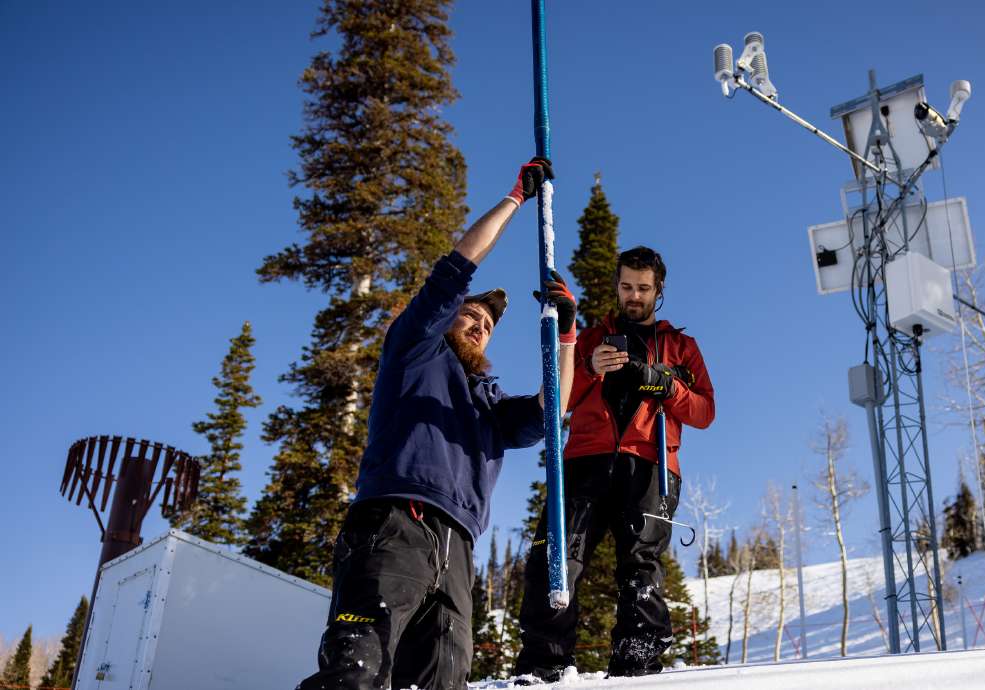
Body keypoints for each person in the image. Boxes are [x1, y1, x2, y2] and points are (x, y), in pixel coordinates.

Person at [297, 157, 577, 690]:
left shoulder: (489, 405)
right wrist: (516, 198)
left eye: (489, 325)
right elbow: (458, 265)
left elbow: (551, 411)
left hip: (458, 548)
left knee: (442, 681)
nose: (478, 325)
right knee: (357, 669)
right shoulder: (416, 348)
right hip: (394, 525)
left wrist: (567, 337)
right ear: (447, 316)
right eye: (470, 315)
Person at [515, 246, 716, 680]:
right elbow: (558, 400)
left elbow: (705, 412)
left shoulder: (682, 346)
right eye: (627, 286)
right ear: (616, 286)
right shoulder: (588, 339)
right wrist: (588, 367)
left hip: (651, 463)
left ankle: (637, 663)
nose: (634, 296)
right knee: (556, 556)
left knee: (640, 564)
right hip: (584, 460)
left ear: (658, 290)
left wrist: (665, 384)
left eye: (643, 288)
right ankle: (543, 666)